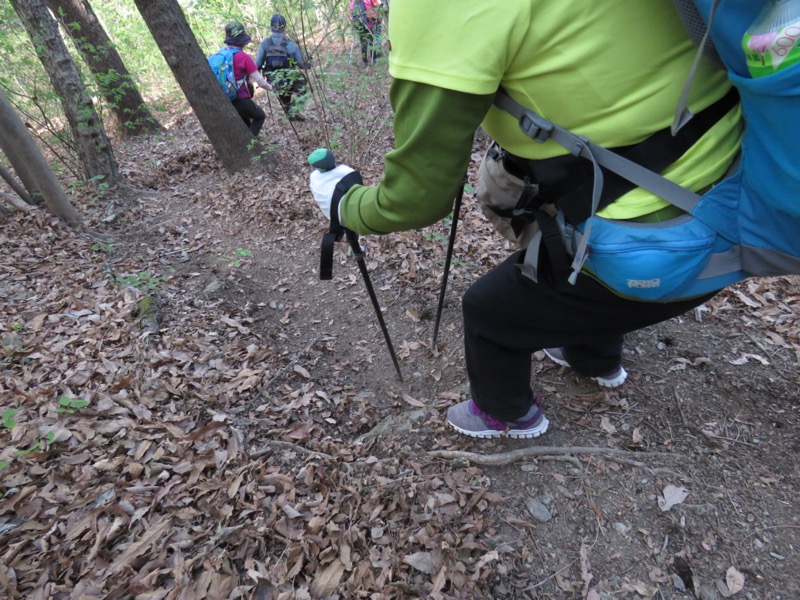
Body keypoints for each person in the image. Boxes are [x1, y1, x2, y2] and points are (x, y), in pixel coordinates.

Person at [309, 1, 743, 439]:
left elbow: (415, 199)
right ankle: (594, 358)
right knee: (575, 267)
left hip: (659, 250)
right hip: (737, 196)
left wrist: (344, 205)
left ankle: (505, 413)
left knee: (489, 311)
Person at [222, 21, 272, 136]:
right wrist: (271, 87)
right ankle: (250, 147)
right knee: (260, 116)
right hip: (241, 100)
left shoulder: (221, 54)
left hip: (226, 100)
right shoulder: (243, 57)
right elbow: (260, 81)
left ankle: (252, 149)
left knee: (247, 125)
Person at [255, 14, 308, 121]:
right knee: (303, 85)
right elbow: (302, 64)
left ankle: (290, 113)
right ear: (284, 27)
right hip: (290, 78)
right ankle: (294, 110)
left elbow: (257, 64)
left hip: (273, 81)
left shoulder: (265, 44)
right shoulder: (291, 45)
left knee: (283, 93)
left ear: (271, 27)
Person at [350, 0, 383, 65]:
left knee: (363, 44)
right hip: (368, 25)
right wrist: (377, 19)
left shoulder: (352, 2)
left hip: (359, 27)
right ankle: (374, 59)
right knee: (371, 42)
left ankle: (365, 61)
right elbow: (371, 14)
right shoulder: (367, 1)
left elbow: (351, 16)